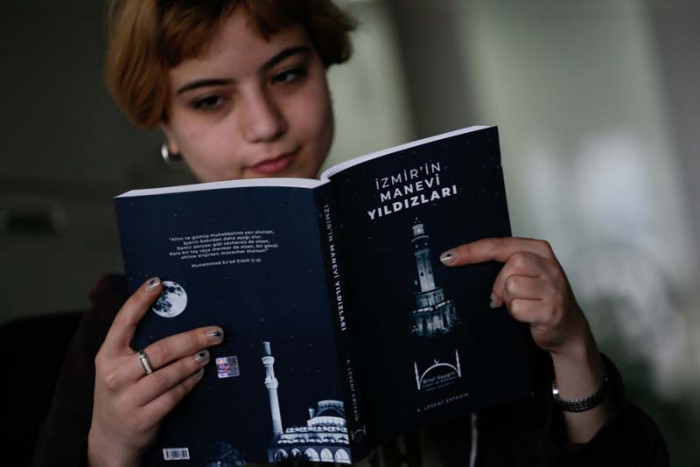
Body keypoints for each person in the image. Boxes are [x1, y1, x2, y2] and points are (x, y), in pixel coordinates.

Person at [34, 0, 669, 466]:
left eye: (287, 74)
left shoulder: (471, 266)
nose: (265, 124)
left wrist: (573, 350)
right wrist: (109, 449)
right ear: (165, 125)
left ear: (324, 67)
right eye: (210, 100)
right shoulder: (121, 325)